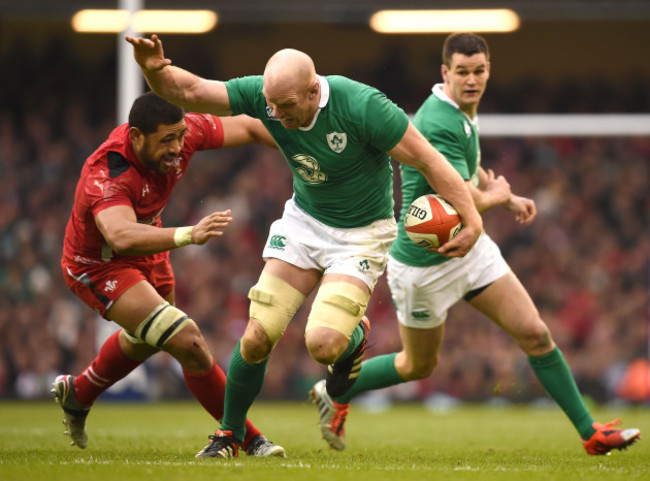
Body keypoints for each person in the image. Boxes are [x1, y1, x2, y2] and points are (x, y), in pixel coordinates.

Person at [126, 34, 484, 458]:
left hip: (361, 235)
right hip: (305, 224)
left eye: (286, 107)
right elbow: (188, 90)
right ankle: (228, 435)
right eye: (271, 106)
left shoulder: (363, 106)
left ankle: (352, 338)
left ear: (314, 91)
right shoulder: (269, 96)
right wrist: (151, 68)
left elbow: (428, 158)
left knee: (324, 346)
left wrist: (473, 217)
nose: (275, 115)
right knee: (258, 335)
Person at [308, 32, 641, 456]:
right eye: (462, 72)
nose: (471, 79)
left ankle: (590, 433)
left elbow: (472, 172)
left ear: (488, 70)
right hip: (425, 263)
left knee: (535, 333)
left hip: (471, 245)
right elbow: (459, 199)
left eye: (479, 70)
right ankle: (333, 390)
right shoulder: (439, 121)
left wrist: (507, 195)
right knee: (417, 365)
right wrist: (498, 198)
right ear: (444, 73)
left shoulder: (463, 111)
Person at [53, 91, 287, 457]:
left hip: (150, 246)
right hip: (98, 265)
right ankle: (247, 437)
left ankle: (79, 394)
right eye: (167, 140)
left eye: (180, 137)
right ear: (136, 137)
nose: (178, 147)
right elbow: (119, 235)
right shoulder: (108, 172)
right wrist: (188, 234)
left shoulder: (183, 131)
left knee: (148, 338)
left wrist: (307, 149)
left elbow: (248, 127)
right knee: (187, 340)